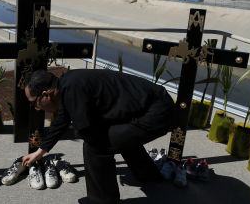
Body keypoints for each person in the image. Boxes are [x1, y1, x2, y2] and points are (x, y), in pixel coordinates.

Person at [22, 69, 175, 204]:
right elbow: (62, 120)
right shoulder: (68, 83)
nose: (36, 108)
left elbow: (88, 131)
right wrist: (40, 151)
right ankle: (148, 175)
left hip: (157, 114)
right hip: (156, 106)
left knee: (95, 147)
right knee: (118, 136)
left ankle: (102, 201)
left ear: (45, 95)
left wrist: (88, 133)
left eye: (34, 103)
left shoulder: (72, 89)